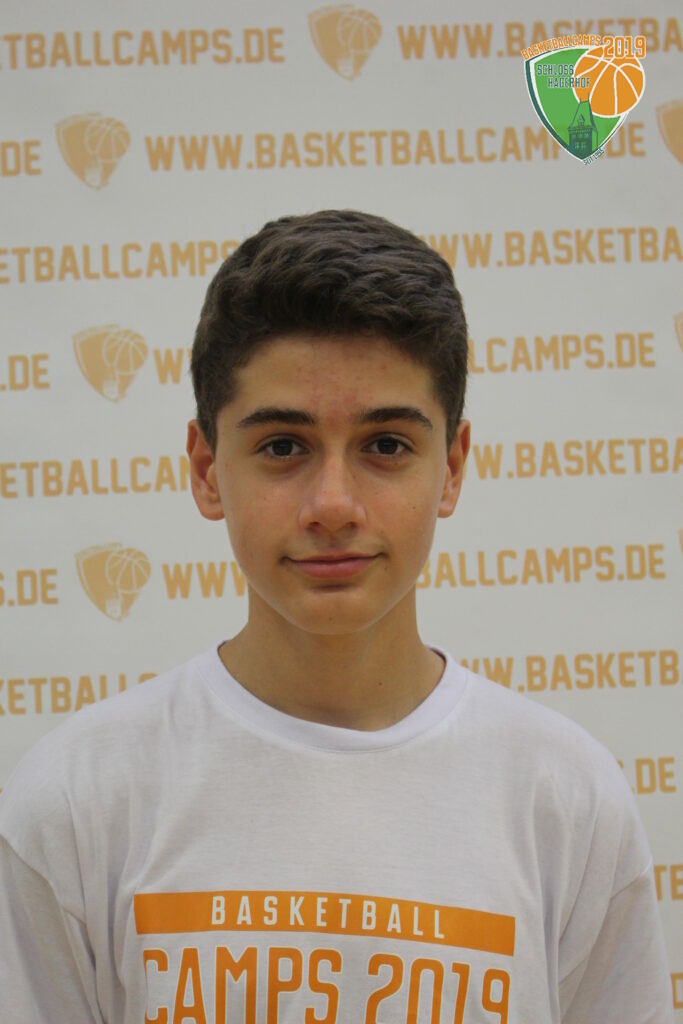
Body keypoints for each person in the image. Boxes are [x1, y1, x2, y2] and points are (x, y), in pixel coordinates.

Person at [0, 210, 673, 1023]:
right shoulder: (76, 801)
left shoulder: (566, 801)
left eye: (385, 445)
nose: (332, 504)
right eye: (283, 446)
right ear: (207, 470)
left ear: (451, 468)